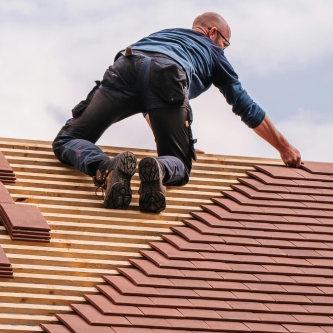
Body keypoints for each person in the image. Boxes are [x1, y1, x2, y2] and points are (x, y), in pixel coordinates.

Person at [52, 12, 301, 213]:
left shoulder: (163, 35)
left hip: (127, 64)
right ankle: (161, 168)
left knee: (68, 139)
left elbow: (147, 93)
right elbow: (245, 105)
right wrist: (284, 148)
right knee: (179, 163)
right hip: (169, 75)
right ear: (212, 32)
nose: (223, 49)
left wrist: (183, 140)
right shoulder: (212, 51)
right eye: (225, 44)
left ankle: (105, 167)